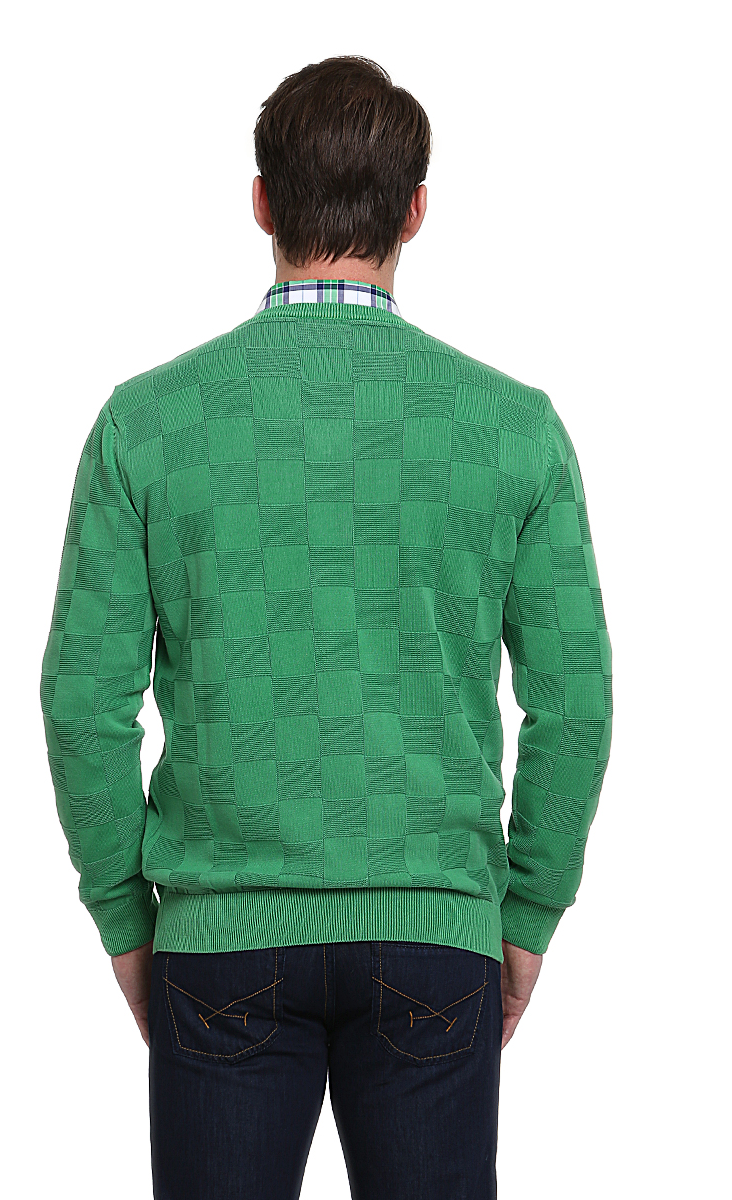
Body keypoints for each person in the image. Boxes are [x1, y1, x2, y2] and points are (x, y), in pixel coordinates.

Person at [40, 54, 612, 1200]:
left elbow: (81, 704)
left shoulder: (145, 425)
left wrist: (125, 919)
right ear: (415, 211)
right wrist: (525, 911)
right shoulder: (513, 430)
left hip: (221, 946)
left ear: (260, 201)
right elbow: (575, 703)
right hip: (433, 936)